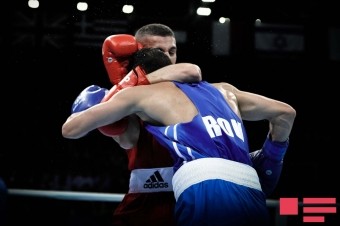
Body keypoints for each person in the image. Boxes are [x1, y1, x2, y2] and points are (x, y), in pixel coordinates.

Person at [62, 48, 296, 226]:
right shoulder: (224, 90)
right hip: (251, 187)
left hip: (206, 188)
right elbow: (286, 113)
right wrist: (272, 157)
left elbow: (70, 130)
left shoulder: (139, 94)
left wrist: (119, 89)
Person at [99, 23, 201, 226]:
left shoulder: (197, 91)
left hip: (192, 196)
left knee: (278, 205)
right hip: (142, 205)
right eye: (158, 51)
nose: (167, 58)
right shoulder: (126, 97)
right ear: (139, 54)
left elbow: (192, 71)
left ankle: (286, 206)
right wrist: (125, 87)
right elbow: (127, 140)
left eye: (172, 51)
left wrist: (132, 81)